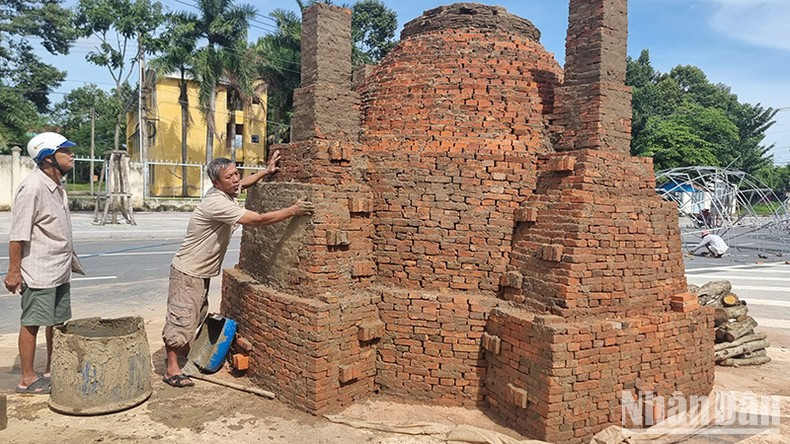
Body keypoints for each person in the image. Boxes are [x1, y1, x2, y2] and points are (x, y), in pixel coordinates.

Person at [162, 151, 314, 387]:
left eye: (236, 173)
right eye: (229, 177)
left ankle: (181, 353)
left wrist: (266, 171)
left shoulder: (224, 192)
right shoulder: (217, 203)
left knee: (195, 314)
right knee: (181, 318)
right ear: (216, 183)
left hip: (199, 271)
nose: (236, 179)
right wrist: (293, 210)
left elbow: (244, 183)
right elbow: (258, 220)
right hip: (188, 271)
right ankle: (171, 370)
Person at [4, 132, 85, 394]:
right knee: (32, 322)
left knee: (58, 321)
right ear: (48, 157)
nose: (72, 155)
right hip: (39, 270)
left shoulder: (56, 184)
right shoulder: (33, 188)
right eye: (66, 151)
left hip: (59, 269)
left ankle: (52, 368)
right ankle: (27, 378)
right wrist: (14, 271)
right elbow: (18, 235)